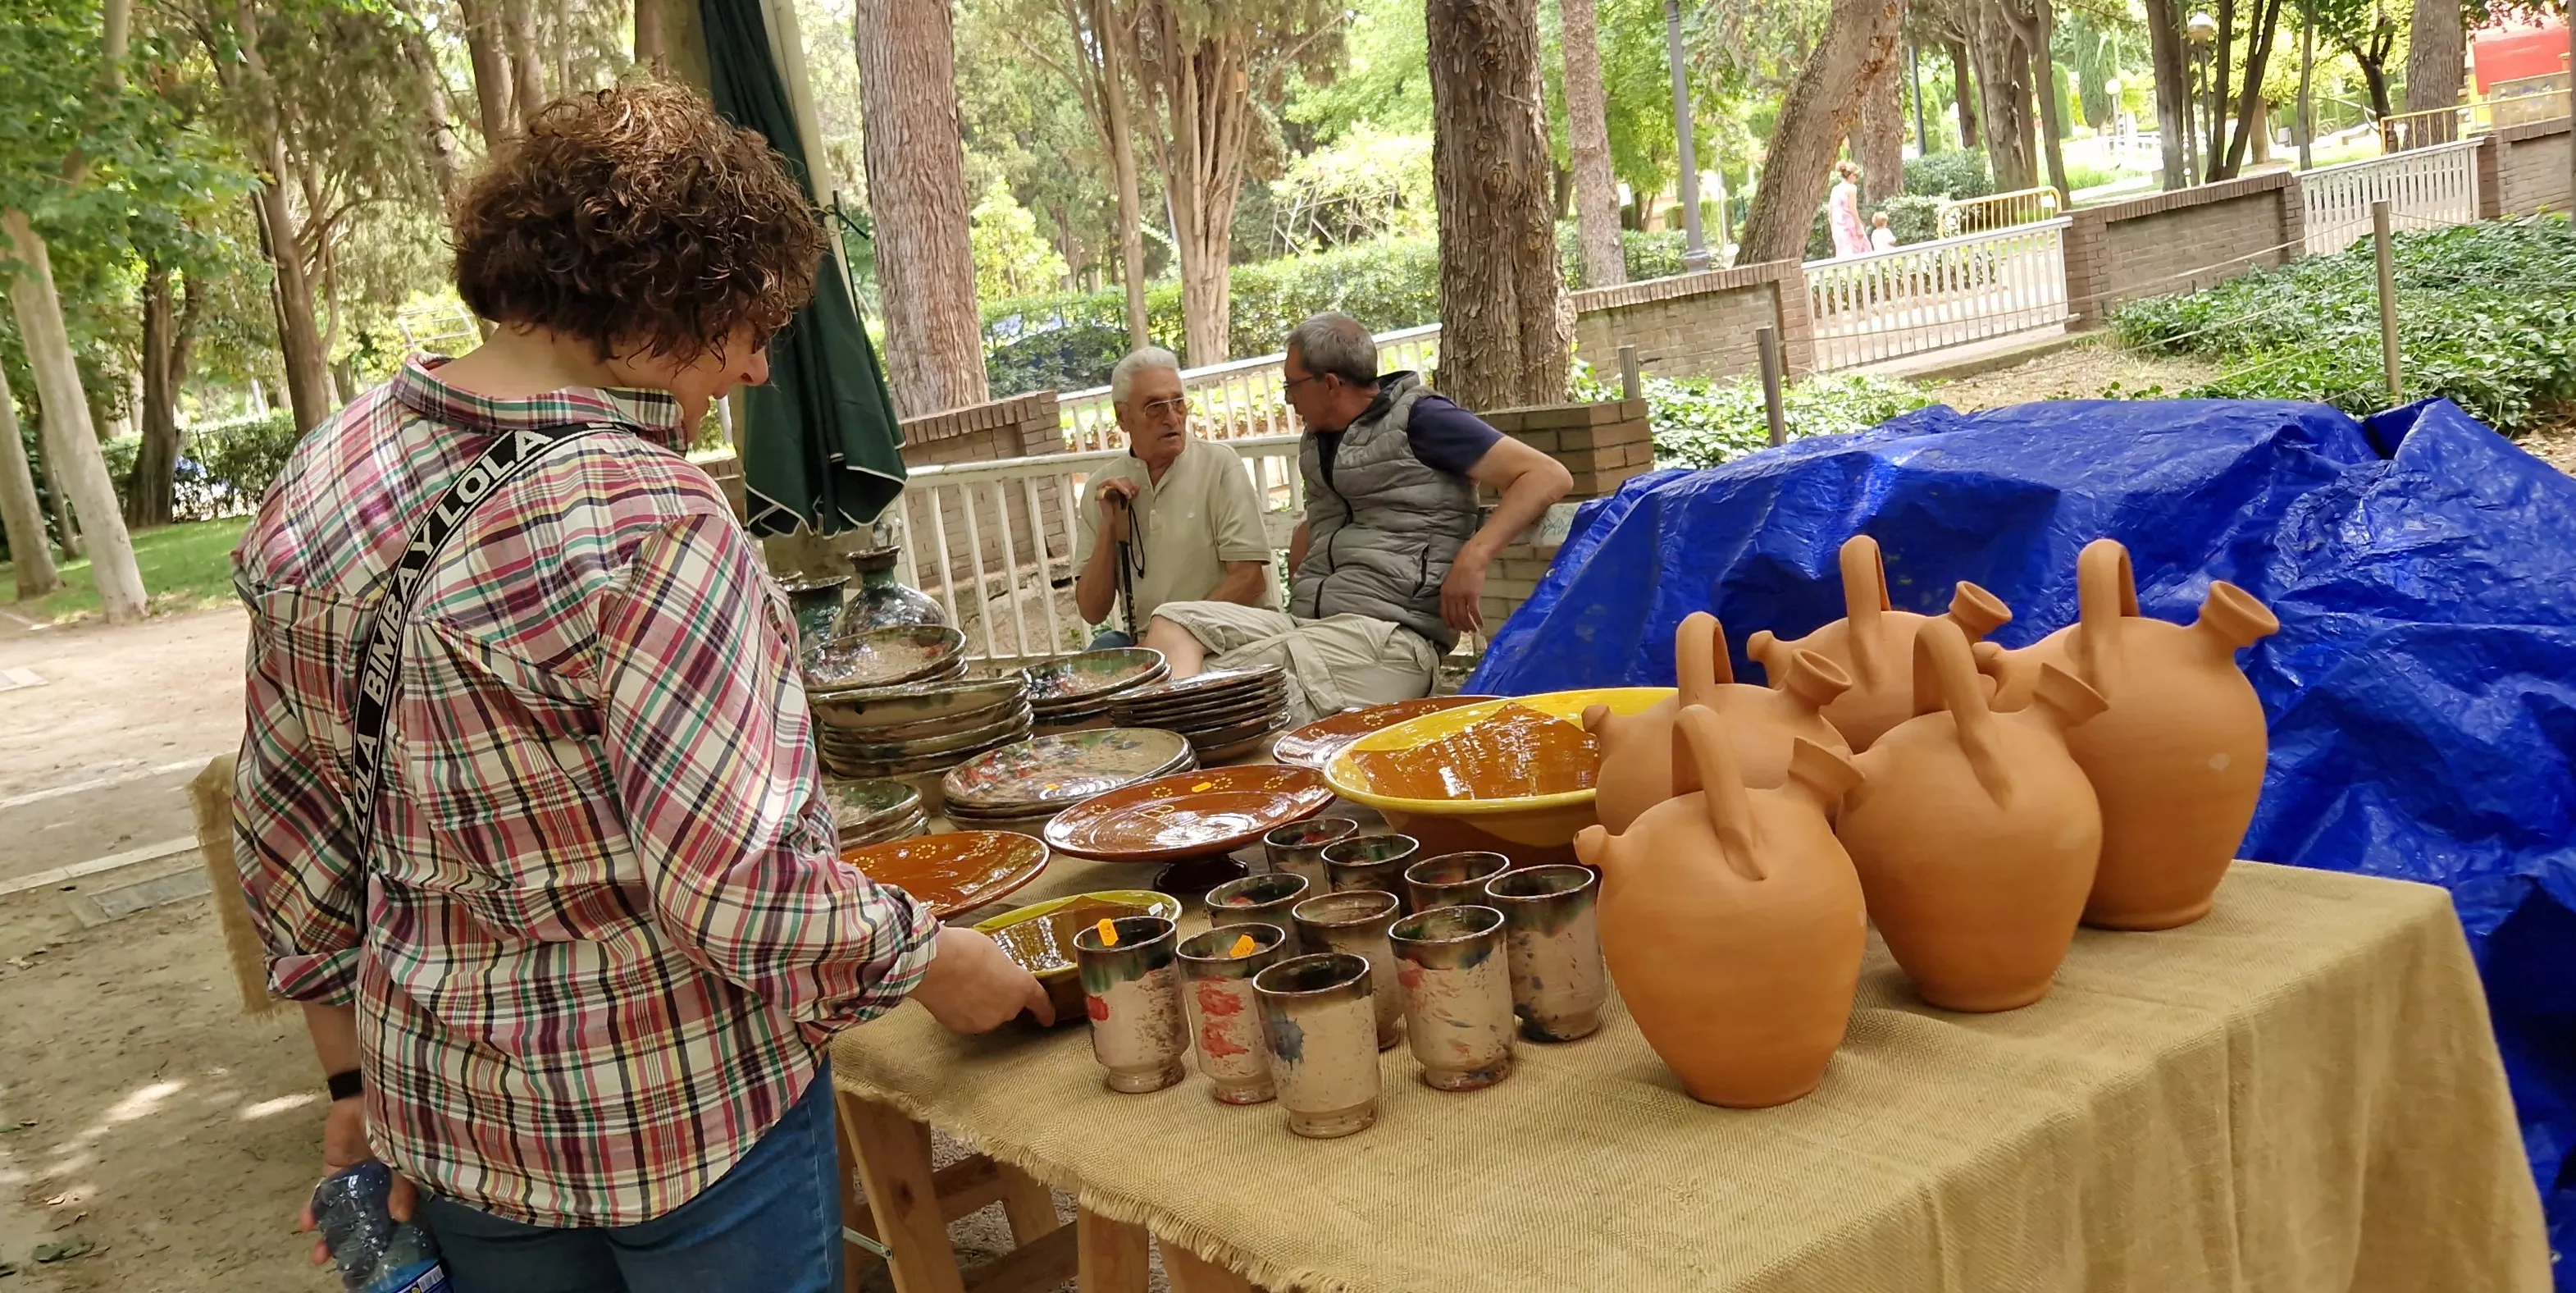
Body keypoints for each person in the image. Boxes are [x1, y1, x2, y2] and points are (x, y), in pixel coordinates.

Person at [229, 84, 1047, 1293]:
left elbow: (289, 830)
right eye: (746, 326)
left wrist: (349, 1078)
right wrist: (931, 958)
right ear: (668, 297)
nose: (757, 365)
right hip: (684, 1114)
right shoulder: (649, 515)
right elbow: (736, 886)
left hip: (452, 1118)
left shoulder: (327, 471)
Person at [1142, 313, 1573, 722]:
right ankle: (1169, 738)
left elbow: (1546, 475)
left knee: (1211, 686)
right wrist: (1312, 537)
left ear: (1330, 384)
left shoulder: (1423, 419)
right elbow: (1349, 509)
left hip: (1389, 637)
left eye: (1292, 386)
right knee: (1172, 625)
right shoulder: (1319, 440)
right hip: (1311, 626)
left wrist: (1474, 555)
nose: (1288, 399)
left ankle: (1165, 747)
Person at [1073, 347, 1274, 649]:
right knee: (1098, 656)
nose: (1172, 418)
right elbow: (1092, 610)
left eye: (1178, 403)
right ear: (1123, 418)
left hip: (1226, 638)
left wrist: (1171, 636)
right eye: (1155, 407)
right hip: (1151, 646)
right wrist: (1109, 525)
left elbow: (1249, 581)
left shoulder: (1219, 465)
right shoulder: (1102, 489)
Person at [1829, 160, 1872, 258]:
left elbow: (1830, 212)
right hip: (1850, 225)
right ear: (1851, 175)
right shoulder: (1851, 188)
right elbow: (1853, 209)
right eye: (1856, 175)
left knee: (1843, 254)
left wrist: (1833, 229)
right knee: (1862, 251)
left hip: (1838, 227)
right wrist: (1858, 226)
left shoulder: (1835, 189)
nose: (1856, 178)